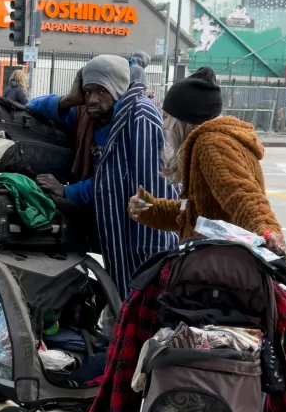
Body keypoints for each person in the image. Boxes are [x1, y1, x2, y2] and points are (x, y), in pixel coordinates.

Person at [28, 54, 178, 295]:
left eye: (102, 91)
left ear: (118, 89)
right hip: (117, 236)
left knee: (144, 309)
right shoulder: (93, 118)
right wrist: (70, 98)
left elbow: (145, 189)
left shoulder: (140, 116)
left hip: (146, 244)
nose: (93, 99)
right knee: (124, 305)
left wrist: (69, 191)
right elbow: (31, 107)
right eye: (88, 92)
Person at [127, 67, 286, 255]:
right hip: (215, 262)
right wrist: (151, 209)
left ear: (182, 120)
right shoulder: (212, 142)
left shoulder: (211, 144)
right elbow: (195, 212)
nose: (165, 124)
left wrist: (267, 228)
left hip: (218, 266)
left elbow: (242, 194)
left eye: (168, 117)